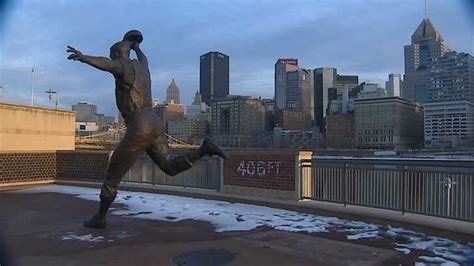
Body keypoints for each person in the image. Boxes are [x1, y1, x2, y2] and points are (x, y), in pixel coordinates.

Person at [66, 30, 227, 228]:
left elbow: (106, 64)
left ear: (117, 54)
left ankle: (100, 217)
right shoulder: (142, 66)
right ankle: (204, 149)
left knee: (112, 173)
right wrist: (137, 47)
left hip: (139, 125)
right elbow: (143, 58)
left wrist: (84, 58)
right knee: (168, 167)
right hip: (155, 122)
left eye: (112, 54)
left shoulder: (122, 66)